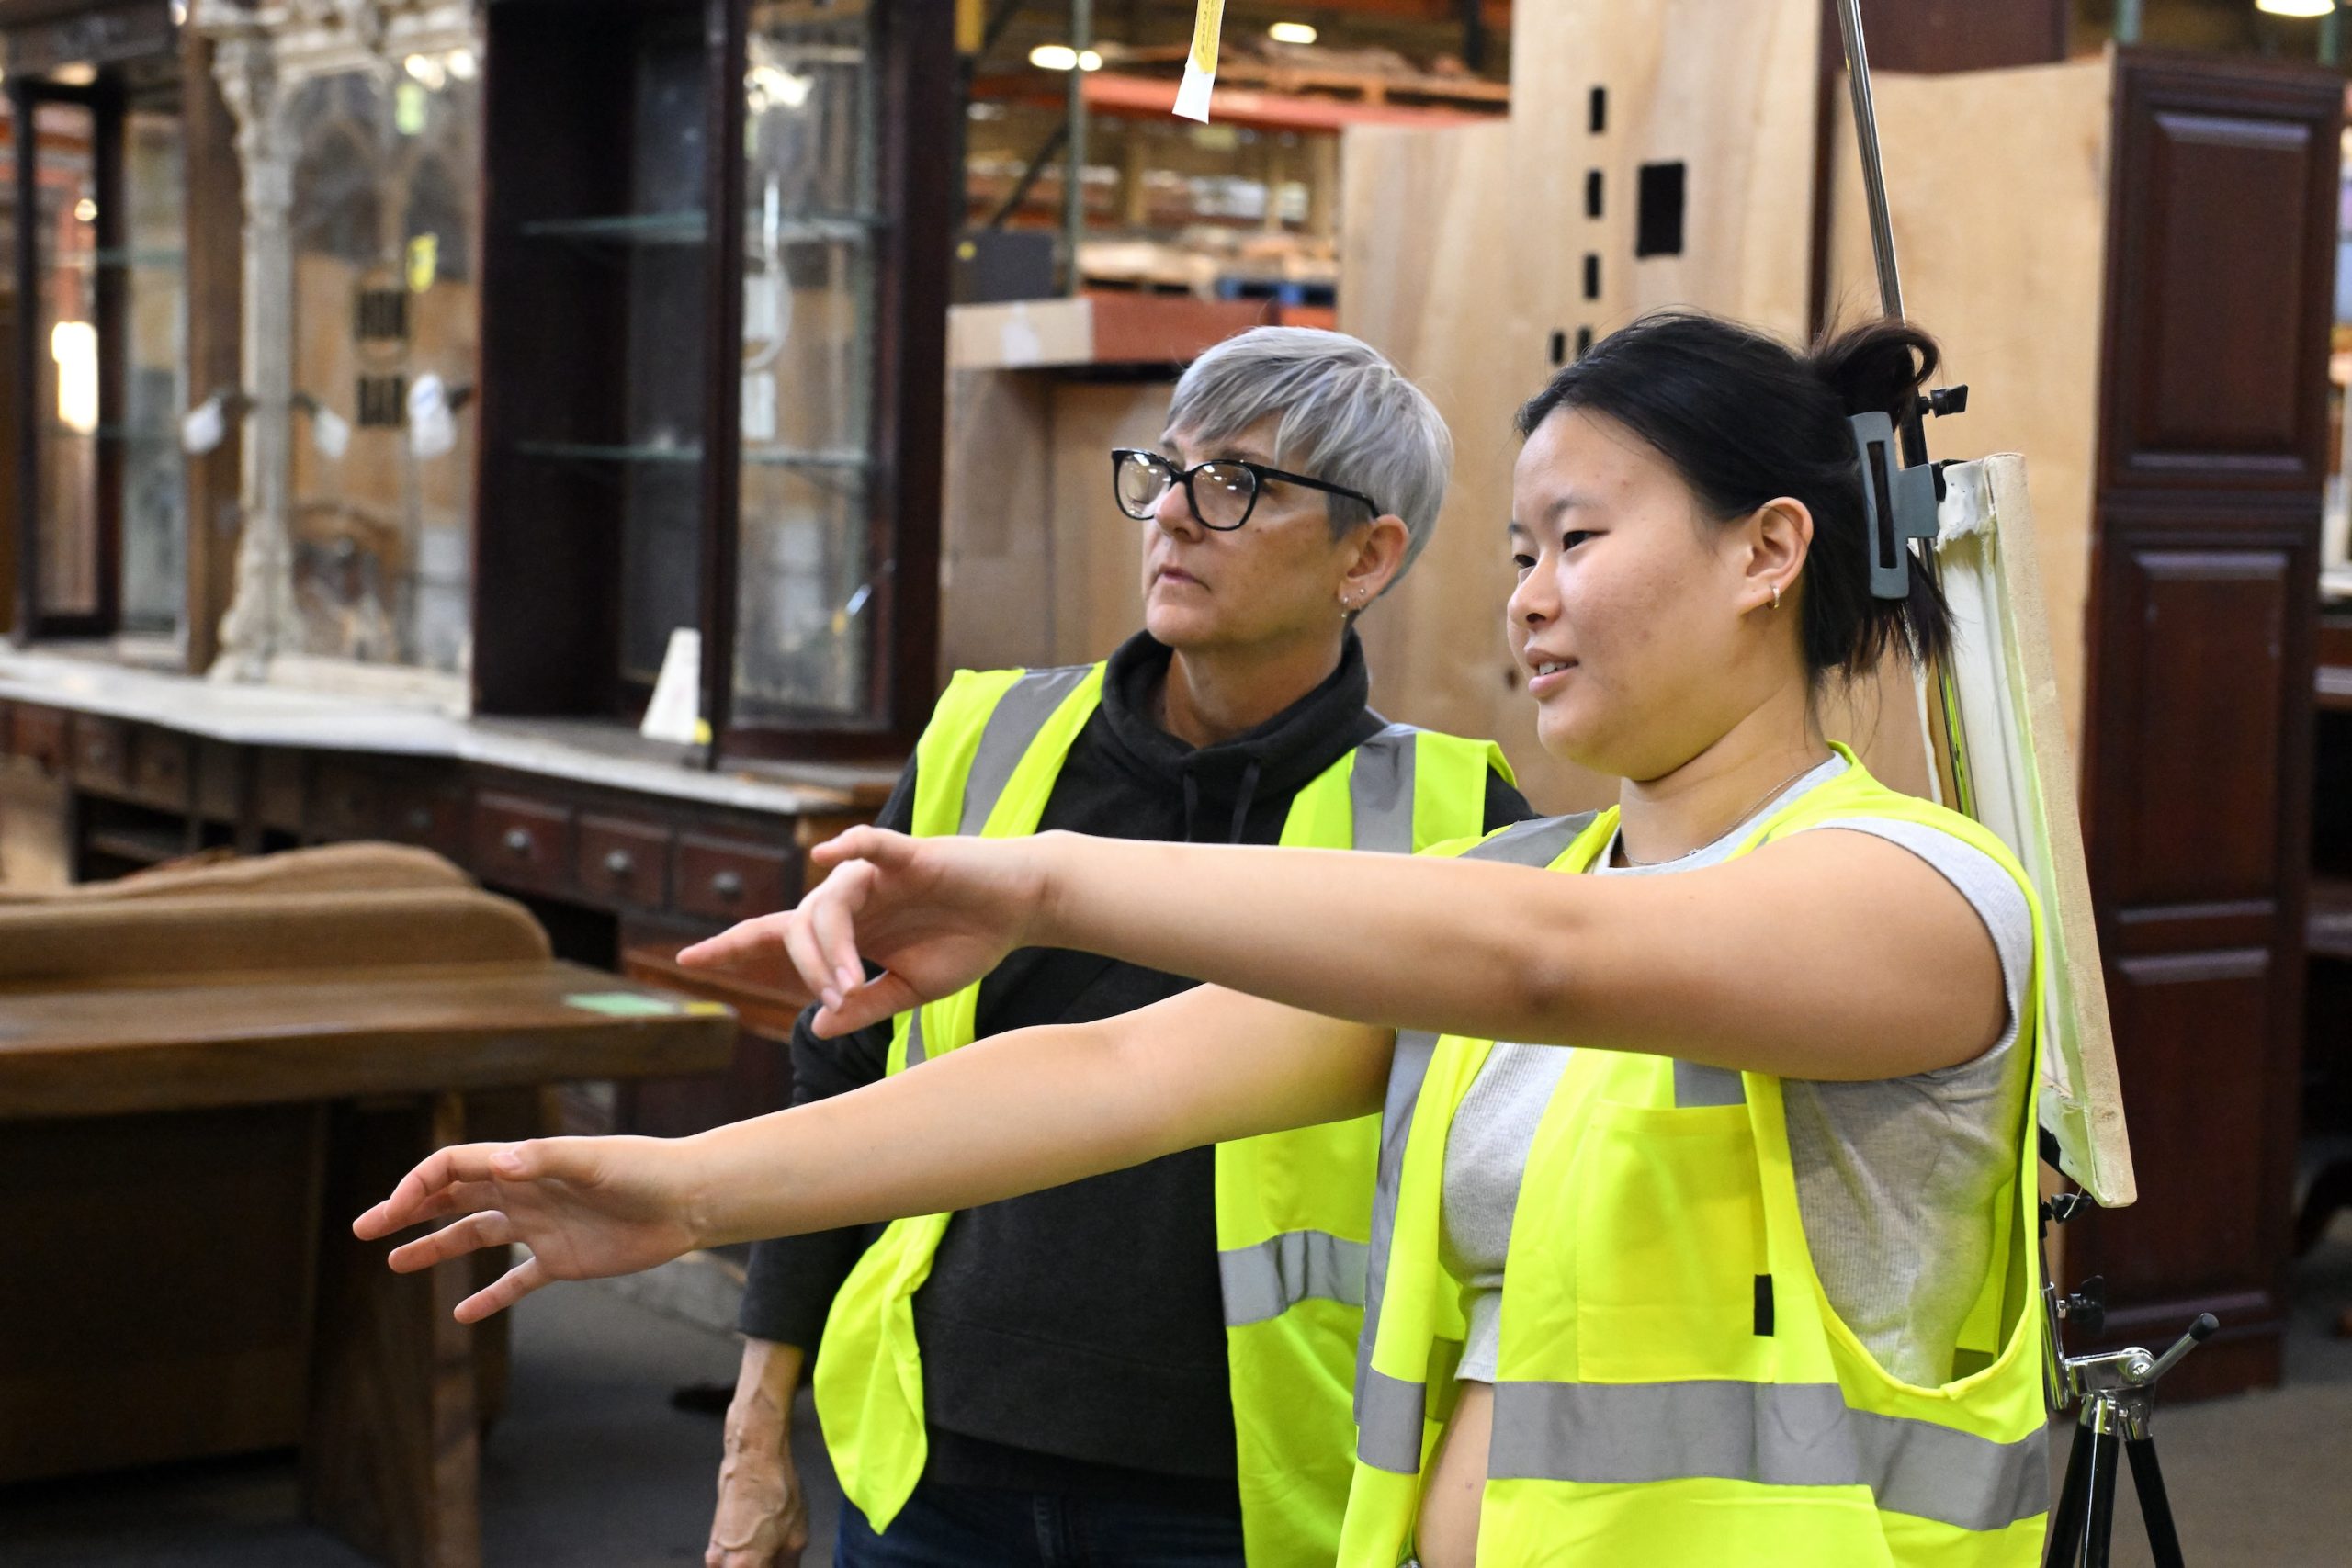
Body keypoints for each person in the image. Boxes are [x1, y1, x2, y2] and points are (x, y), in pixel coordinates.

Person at [358, 312, 2052, 1568]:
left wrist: (1040, 884)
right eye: (1521, 551)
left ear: (1770, 553)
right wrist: (679, 1193)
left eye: (1580, 543)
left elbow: (1538, 955)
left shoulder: (1914, 894)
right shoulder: (1548, 875)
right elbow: (1116, 1067)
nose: (1527, 596)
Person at [705, 326, 1528, 1566]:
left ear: (1369, 554)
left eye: (1238, 484)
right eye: (1167, 470)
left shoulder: (1460, 823)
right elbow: (839, 1074)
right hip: (934, 1470)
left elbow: (1512, 1204)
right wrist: (757, 1431)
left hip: (1251, 1504)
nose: (1176, 518)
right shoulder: (988, 737)